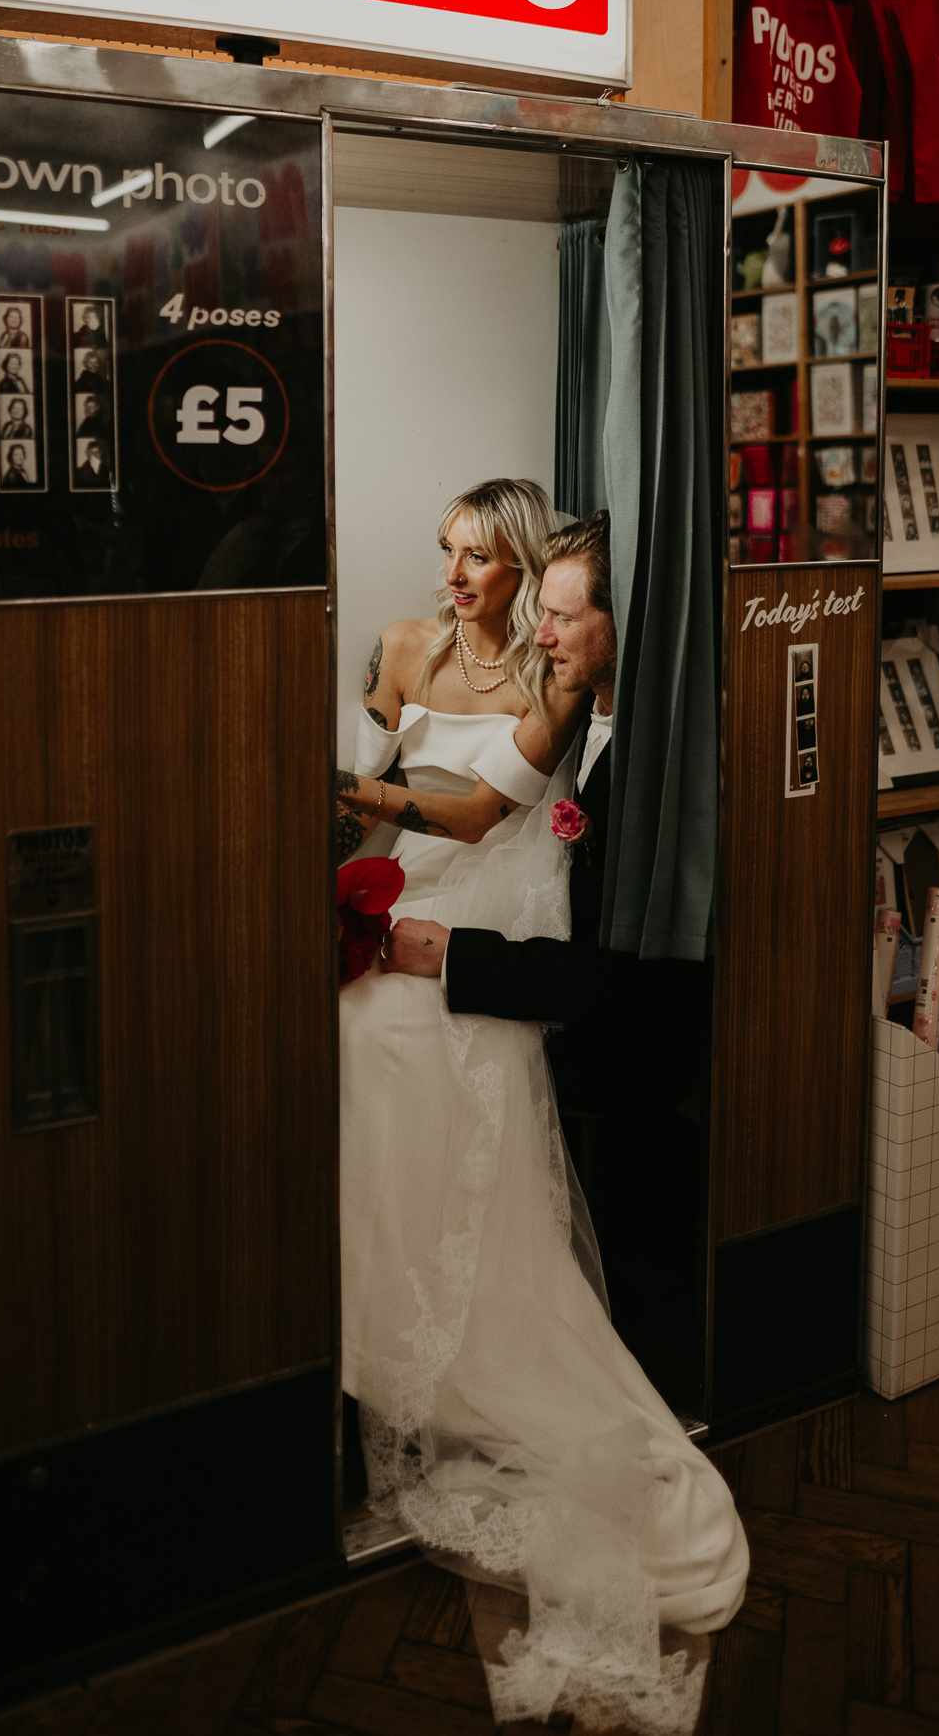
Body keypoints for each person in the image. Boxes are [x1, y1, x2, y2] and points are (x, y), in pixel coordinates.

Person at [335, 488, 745, 1733]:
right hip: (410, 914)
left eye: (490, 562)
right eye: (448, 552)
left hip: (486, 945)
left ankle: (452, 1358)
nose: (461, 575)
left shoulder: (563, 703)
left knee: (419, 1069)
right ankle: (371, 1346)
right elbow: (387, 747)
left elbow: (479, 820)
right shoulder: (405, 645)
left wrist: (372, 813)